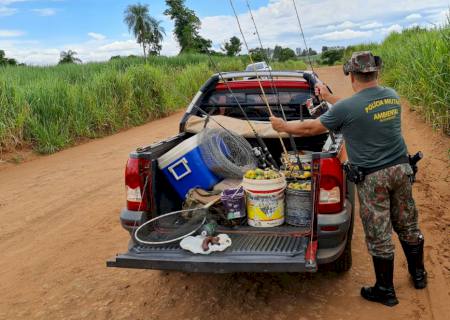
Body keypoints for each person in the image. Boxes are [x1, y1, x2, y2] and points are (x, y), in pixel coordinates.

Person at [270, 51, 427, 307]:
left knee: (380, 234)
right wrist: (328, 97)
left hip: (374, 179)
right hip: (402, 171)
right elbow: (359, 107)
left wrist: (282, 126)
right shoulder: (392, 96)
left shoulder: (349, 108)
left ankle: (385, 291)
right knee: (408, 225)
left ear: (352, 76)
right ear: (376, 72)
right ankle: (419, 276)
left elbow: (312, 128)